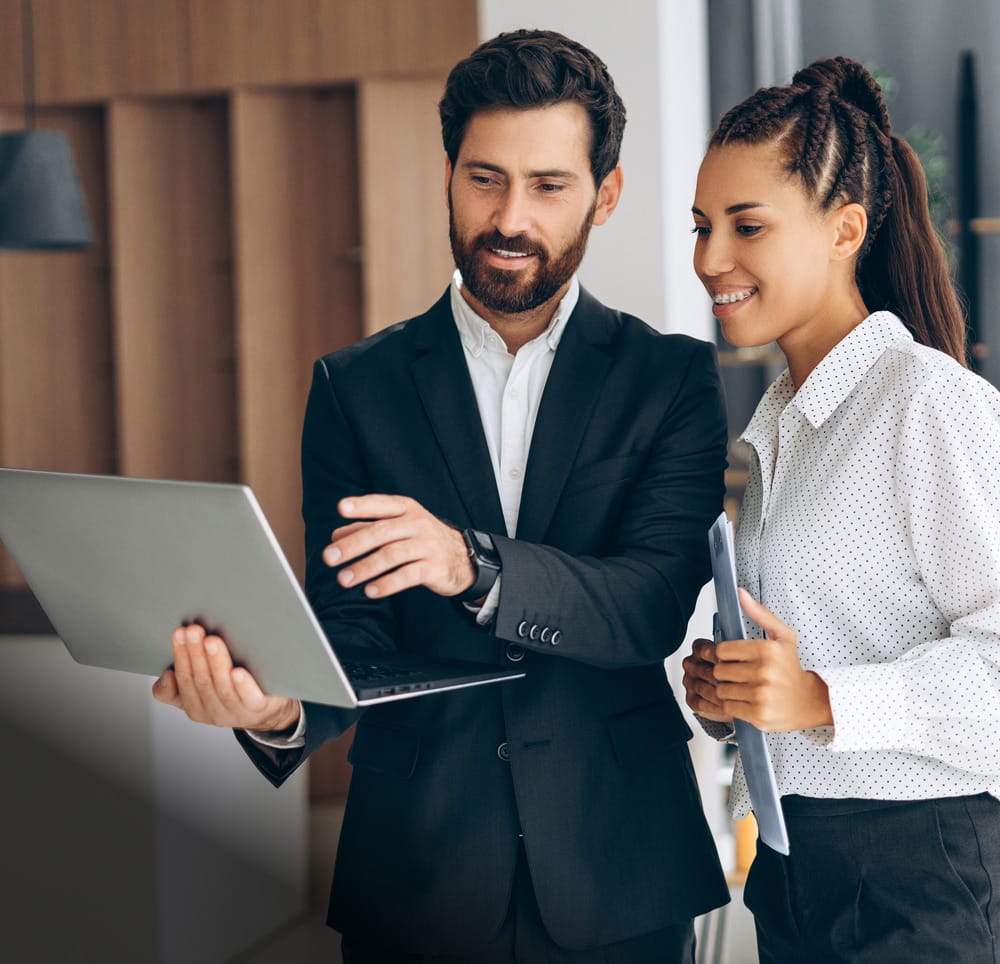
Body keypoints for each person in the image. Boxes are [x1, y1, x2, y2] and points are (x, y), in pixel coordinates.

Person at [154, 29, 731, 962]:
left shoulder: (670, 381)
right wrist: (277, 709)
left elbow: (650, 605)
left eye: (548, 185)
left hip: (618, 866)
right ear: (449, 176)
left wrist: (473, 564)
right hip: (415, 870)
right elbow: (352, 628)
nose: (509, 217)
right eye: (484, 178)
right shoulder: (355, 386)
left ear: (605, 194)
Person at [682, 55, 1000, 963]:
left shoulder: (927, 404)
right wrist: (734, 696)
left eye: (747, 226)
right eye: (702, 227)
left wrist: (819, 696)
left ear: (844, 229)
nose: (711, 259)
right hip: (796, 866)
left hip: (917, 870)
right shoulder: (784, 425)